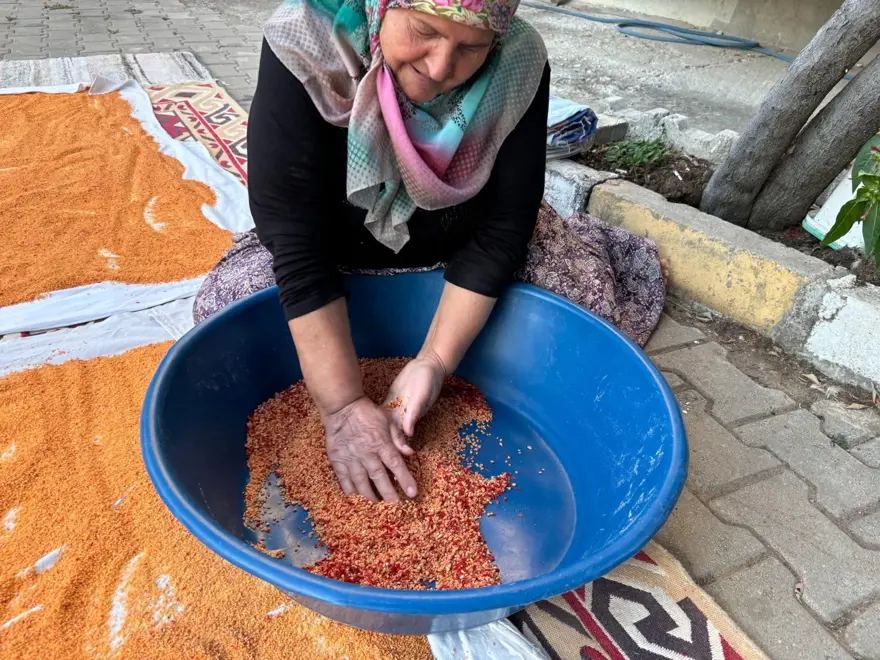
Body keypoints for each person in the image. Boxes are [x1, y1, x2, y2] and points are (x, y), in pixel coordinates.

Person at [194, 0, 666, 504]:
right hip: (335, 250)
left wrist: (435, 361)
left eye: (471, 47)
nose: (441, 67)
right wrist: (344, 405)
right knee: (226, 308)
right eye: (423, 30)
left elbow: (504, 228)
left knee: (586, 301)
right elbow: (293, 236)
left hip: (458, 242)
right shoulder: (307, 42)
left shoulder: (518, 60)